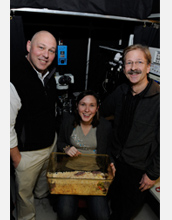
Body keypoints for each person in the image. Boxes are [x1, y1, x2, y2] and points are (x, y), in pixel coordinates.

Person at [100, 44, 160, 220]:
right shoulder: (121, 91)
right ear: (124, 67)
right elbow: (102, 112)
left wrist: (152, 174)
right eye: (129, 63)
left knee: (123, 213)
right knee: (112, 203)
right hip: (115, 162)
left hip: (138, 170)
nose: (133, 68)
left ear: (148, 67)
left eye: (139, 62)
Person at [10, 30, 58, 220]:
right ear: (29, 46)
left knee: (41, 186)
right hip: (28, 154)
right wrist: (17, 159)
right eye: (41, 47)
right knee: (25, 195)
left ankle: (42, 197)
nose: (46, 55)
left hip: (49, 144)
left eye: (52, 50)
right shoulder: (14, 78)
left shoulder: (48, 74)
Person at [53, 90, 115, 220]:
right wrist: (66, 148)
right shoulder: (68, 121)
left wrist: (111, 163)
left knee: (102, 216)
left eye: (92, 105)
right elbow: (60, 142)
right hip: (70, 171)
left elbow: (109, 149)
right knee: (65, 213)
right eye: (83, 104)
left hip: (94, 173)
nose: (87, 110)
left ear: (97, 108)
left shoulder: (105, 126)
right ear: (77, 105)